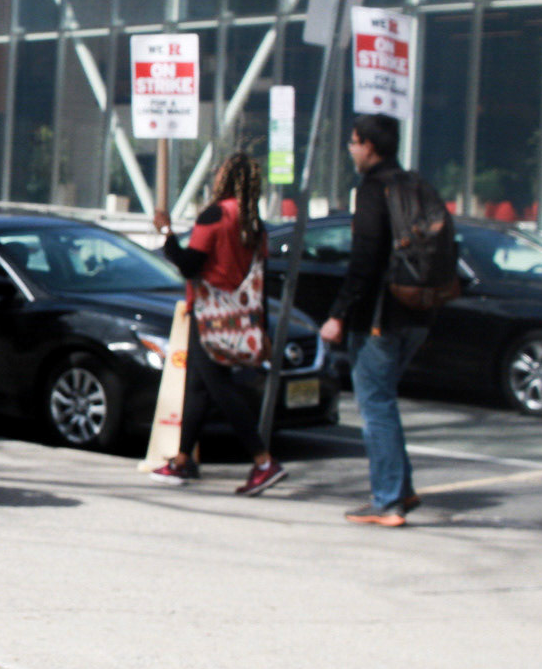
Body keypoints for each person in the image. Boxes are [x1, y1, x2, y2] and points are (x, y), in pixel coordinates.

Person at [150, 152, 287, 497]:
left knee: (219, 389)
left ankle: (263, 461)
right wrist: (262, 330)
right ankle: (182, 460)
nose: (214, 176)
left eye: (219, 172)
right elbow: (260, 281)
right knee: (197, 386)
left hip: (210, 316)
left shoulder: (214, 215)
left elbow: (189, 265)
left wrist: (166, 234)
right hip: (239, 319)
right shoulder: (254, 224)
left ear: (226, 179)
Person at [318, 114, 427, 527]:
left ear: (369, 146)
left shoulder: (372, 190)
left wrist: (337, 314)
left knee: (375, 406)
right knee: (384, 401)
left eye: (353, 141)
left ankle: (388, 502)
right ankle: (401, 489)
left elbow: (364, 260)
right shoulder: (413, 183)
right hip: (417, 310)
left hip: (380, 315)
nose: (350, 148)